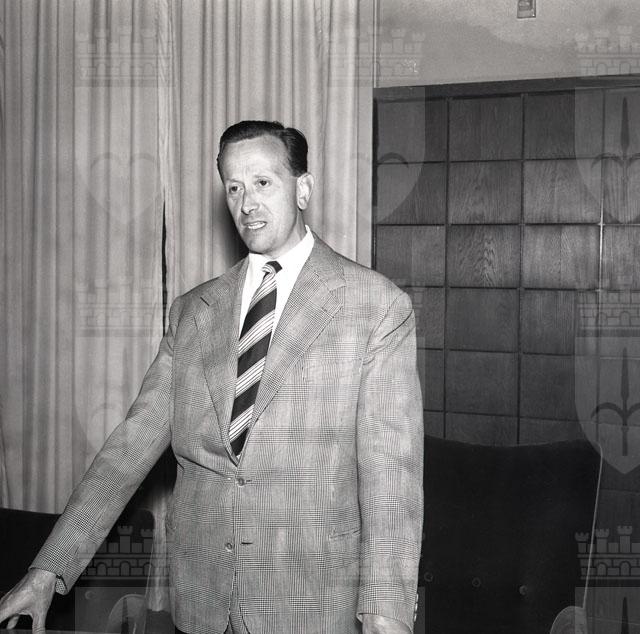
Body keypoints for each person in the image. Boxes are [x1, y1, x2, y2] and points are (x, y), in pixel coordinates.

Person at [0, 121, 423, 634]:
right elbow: (127, 452)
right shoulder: (192, 312)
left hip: (312, 603)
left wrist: (385, 611)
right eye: (234, 187)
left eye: (263, 182)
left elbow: (391, 480)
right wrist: (48, 571)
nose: (247, 203)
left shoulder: (375, 305)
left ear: (303, 189)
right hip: (201, 603)